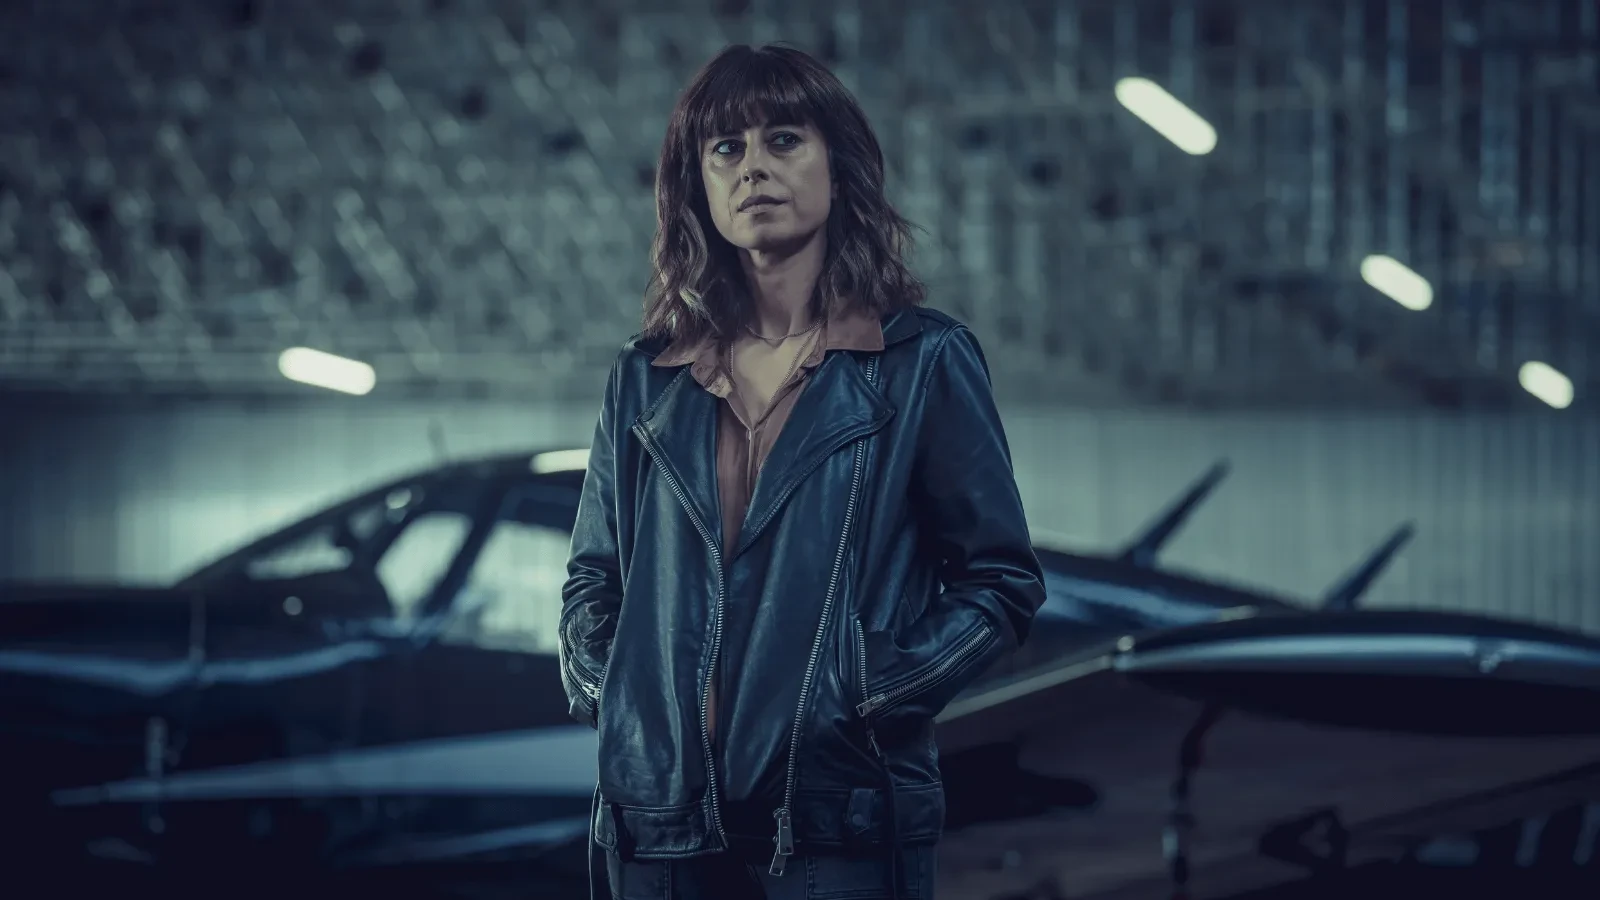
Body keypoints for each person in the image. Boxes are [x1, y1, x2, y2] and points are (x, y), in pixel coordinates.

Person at [559, 42, 1045, 900]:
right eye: (726, 150)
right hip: (658, 822)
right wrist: (628, 701)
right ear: (698, 186)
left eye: (783, 141)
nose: (754, 169)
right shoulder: (644, 375)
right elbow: (593, 580)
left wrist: (861, 695)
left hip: (834, 815)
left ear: (838, 165)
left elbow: (1000, 580)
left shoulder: (921, 363)